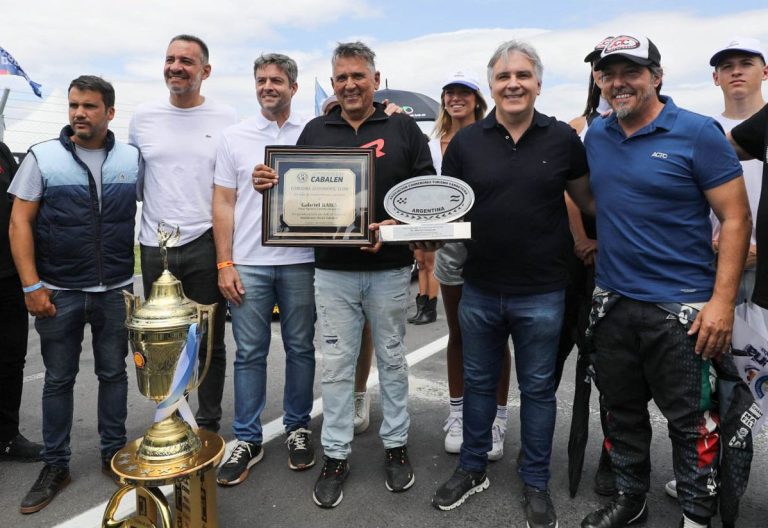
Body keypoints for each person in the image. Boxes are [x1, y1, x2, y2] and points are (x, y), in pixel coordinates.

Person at [254, 41, 435, 508]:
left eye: (359, 75)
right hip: (332, 270)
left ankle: (396, 446)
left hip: (390, 268)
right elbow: (293, 195)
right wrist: (270, 185)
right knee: (335, 366)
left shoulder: (402, 127)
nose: (350, 84)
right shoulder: (317, 127)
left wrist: (395, 226)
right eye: (341, 78)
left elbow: (426, 195)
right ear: (333, 83)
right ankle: (336, 454)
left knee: (393, 360)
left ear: (376, 79)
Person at [581, 35, 750, 528]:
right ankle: (631, 499)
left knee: (693, 424)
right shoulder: (597, 134)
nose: (618, 82)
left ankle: (697, 516)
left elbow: (736, 219)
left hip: (684, 309)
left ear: (656, 76)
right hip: (613, 303)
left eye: (630, 71)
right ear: (598, 81)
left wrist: (721, 304)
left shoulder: (698, 133)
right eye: (608, 73)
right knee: (620, 413)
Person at [431, 41, 593, 528]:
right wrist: (404, 230)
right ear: (493, 86)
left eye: (523, 75)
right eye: (503, 77)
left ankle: (536, 480)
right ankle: (473, 467)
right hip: (480, 286)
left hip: (544, 290)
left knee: (540, 390)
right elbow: (443, 212)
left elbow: (588, 202)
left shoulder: (563, 139)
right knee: (479, 385)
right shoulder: (466, 143)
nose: (513, 84)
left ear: (538, 83)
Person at [8, 75, 141, 513]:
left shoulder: (131, 158)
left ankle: (112, 453)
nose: (79, 113)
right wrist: (31, 285)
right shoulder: (42, 157)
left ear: (110, 112)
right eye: (73, 106)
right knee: (58, 380)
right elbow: (19, 222)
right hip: (59, 291)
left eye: (89, 106)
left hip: (115, 289)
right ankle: (56, 464)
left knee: (114, 375)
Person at [664, 37, 767, 526]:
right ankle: (705, 480)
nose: (736, 72)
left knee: (751, 392)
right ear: (715, 78)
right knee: (706, 390)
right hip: (712, 275)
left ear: (764, 71)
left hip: (762, 280)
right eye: (726, 66)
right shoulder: (704, 131)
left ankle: (731, 490)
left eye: (746, 63)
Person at [212, 53, 316, 486]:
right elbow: (223, 202)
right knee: (249, 353)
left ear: (293, 86)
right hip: (250, 263)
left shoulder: (313, 133)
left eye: (276, 80)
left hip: (302, 260)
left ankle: (297, 428)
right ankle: (248, 439)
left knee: (301, 349)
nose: (267, 86)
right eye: (261, 80)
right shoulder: (233, 136)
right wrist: (224, 262)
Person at [129, 34, 237, 433]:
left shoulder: (227, 118)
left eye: (187, 61)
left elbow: (232, 184)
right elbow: (135, 182)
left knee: (208, 340)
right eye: (170, 58)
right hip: (155, 249)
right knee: (163, 342)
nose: (176, 67)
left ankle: (207, 425)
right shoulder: (142, 117)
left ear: (205, 71)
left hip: (206, 243)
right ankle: (172, 421)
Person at [429, 70, 512, 460]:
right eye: (449, 92)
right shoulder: (433, 142)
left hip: (492, 244)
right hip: (451, 249)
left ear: (478, 98)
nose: (455, 98)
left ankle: (497, 418)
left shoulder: (494, 135)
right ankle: (459, 413)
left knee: (496, 336)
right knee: (458, 332)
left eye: (464, 92)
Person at [564, 36, 615, 497]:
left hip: (623, 262)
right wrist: (582, 240)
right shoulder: (579, 127)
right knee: (560, 358)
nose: (609, 78)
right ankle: (540, 445)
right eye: (601, 70)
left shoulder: (647, 124)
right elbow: (569, 190)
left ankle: (611, 452)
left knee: (614, 370)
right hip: (579, 262)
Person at [0, 140, 43, 464]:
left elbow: (20, 210)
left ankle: (7, 437)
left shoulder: (2, 152)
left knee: (11, 360)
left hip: (8, 276)